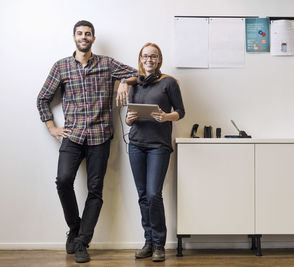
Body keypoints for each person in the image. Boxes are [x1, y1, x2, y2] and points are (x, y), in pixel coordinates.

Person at [37, 20, 137, 263]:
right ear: (74, 37)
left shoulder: (107, 63)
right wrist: (52, 127)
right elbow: (42, 99)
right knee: (63, 181)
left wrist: (123, 81)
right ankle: (75, 227)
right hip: (72, 136)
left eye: (88, 34)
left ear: (93, 38)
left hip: (100, 137)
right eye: (80, 33)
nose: (84, 37)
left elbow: (136, 74)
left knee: (95, 191)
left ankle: (82, 242)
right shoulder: (61, 66)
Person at [125, 43, 185, 262]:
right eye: (146, 56)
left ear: (159, 60)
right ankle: (148, 242)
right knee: (142, 196)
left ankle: (159, 244)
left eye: (154, 56)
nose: (149, 59)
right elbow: (129, 115)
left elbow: (181, 112)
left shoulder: (169, 83)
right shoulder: (134, 84)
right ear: (140, 58)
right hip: (136, 145)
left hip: (159, 146)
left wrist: (166, 117)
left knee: (153, 194)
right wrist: (128, 119)